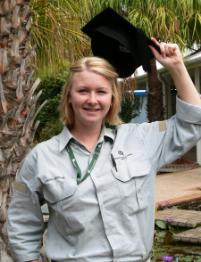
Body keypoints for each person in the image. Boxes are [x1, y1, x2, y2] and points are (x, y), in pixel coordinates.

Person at [7, 38, 201, 262]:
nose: (92, 100)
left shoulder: (140, 140)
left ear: (112, 98)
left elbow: (193, 122)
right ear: (69, 96)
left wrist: (176, 66)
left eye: (101, 91)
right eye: (83, 91)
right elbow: (22, 222)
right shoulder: (41, 158)